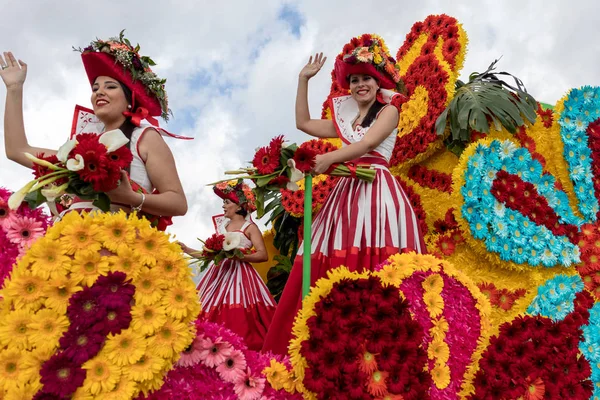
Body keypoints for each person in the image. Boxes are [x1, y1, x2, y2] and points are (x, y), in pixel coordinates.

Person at [262, 34, 427, 355]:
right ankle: (327, 347)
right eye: (353, 80)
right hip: (346, 194)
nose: (359, 85)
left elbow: (366, 145)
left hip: (378, 192)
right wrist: (302, 81)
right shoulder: (344, 117)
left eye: (365, 78)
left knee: (379, 264)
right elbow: (304, 123)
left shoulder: (389, 109)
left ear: (378, 81)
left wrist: (326, 160)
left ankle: (384, 349)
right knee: (329, 263)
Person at [0, 32, 187, 218]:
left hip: (122, 241)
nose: (99, 92)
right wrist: (14, 89)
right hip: (73, 240)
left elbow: (178, 203)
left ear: (131, 100)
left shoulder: (145, 136)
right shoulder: (79, 153)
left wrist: (130, 197)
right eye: (95, 88)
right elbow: (17, 150)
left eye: (110, 86)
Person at [179, 180, 276, 351]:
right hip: (218, 276)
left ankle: (238, 349)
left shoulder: (250, 227)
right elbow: (208, 255)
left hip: (242, 276)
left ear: (239, 206)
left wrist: (239, 256)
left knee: (243, 318)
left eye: (226, 202)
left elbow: (262, 254)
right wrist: (186, 249)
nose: (223, 206)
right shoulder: (222, 227)